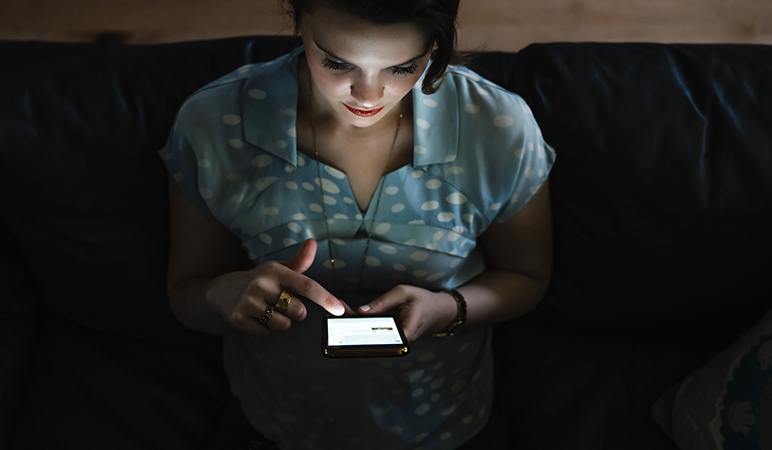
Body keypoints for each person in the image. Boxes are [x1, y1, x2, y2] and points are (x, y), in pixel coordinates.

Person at [158, 0, 555, 448]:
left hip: (447, 421)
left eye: (402, 68)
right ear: (299, 24)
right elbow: (187, 295)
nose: (367, 97)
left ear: (436, 45)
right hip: (274, 418)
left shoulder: (498, 128)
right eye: (336, 62)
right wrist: (221, 294)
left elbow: (526, 277)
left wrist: (449, 310)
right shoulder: (213, 124)